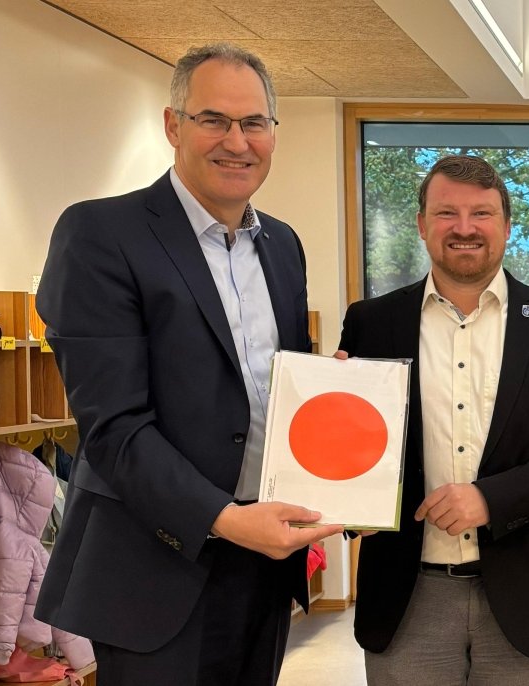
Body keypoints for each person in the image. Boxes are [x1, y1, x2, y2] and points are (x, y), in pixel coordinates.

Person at [34, 43, 342, 685]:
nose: (238, 141)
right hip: (155, 567)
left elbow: (268, 391)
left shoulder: (282, 246)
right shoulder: (100, 235)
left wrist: (329, 397)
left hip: (264, 563)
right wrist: (226, 521)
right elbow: (113, 428)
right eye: (214, 120)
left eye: (254, 122)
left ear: (273, 134)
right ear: (174, 125)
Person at [337, 154, 529, 686]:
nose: (464, 228)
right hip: (405, 599)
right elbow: (355, 446)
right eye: (447, 213)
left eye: (482, 214)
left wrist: (492, 499)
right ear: (422, 225)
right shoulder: (370, 323)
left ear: (506, 227)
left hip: (526, 598)